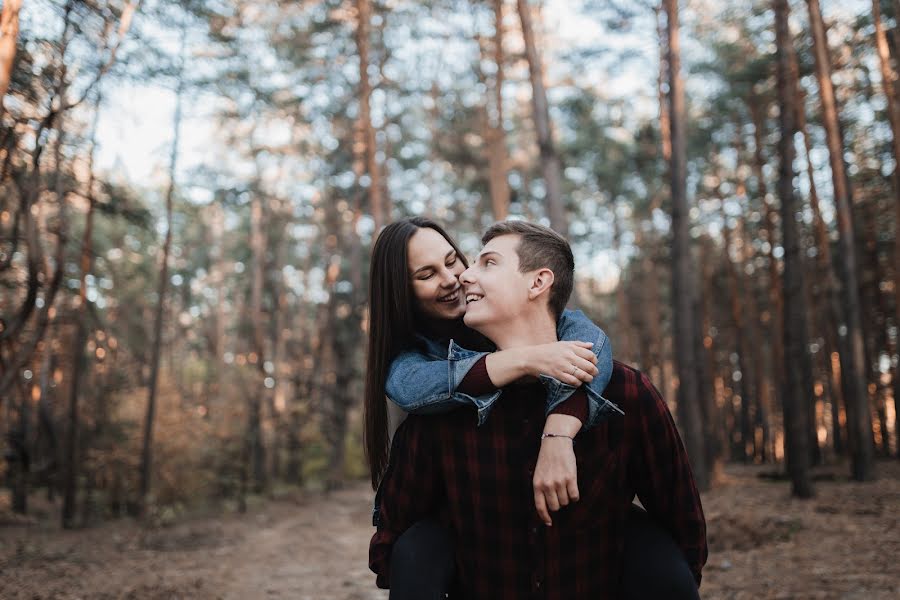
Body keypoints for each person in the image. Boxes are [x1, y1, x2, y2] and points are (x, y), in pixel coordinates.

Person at [369, 220, 707, 599]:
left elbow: (684, 533)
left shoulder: (624, 392)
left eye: (482, 263)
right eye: (427, 274)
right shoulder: (442, 400)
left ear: (538, 282)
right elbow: (395, 544)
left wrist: (560, 429)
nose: (460, 277)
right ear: (405, 295)